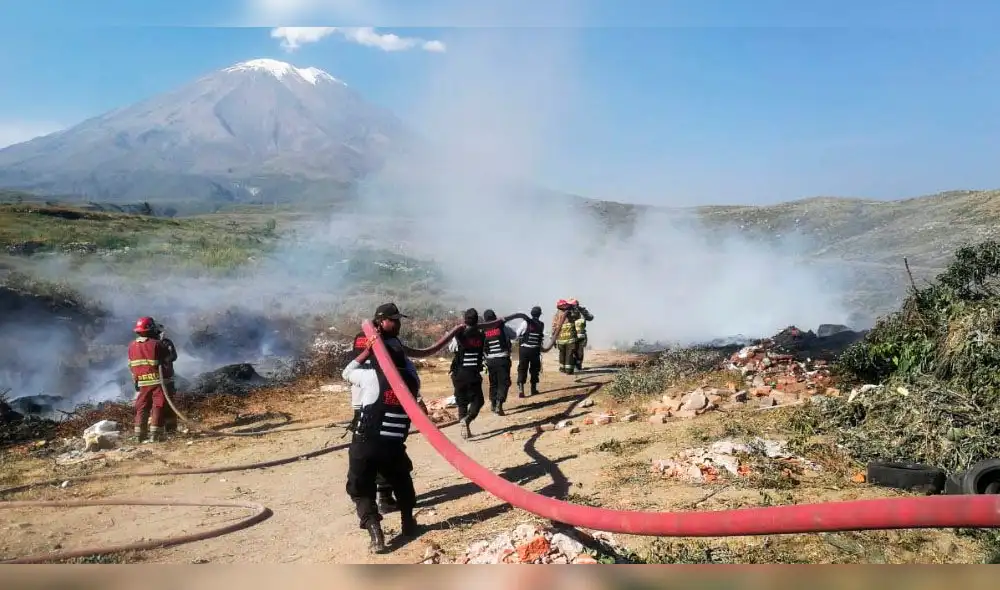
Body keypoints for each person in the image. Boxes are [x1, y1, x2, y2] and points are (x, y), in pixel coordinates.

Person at [342, 303, 425, 554]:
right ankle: (408, 521)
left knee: (360, 485)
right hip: (391, 440)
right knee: (401, 477)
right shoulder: (411, 379)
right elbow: (409, 369)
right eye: (393, 320)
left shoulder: (370, 377)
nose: (398, 324)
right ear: (380, 320)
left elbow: (347, 372)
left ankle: (375, 529)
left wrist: (366, 354)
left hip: (368, 437)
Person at [127, 316, 178, 443]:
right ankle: (157, 434)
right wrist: (166, 343)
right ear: (151, 329)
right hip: (159, 382)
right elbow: (171, 357)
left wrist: (136, 381)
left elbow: (131, 365)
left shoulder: (132, 346)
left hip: (142, 382)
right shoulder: (157, 344)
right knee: (159, 406)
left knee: (142, 406)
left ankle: (139, 434)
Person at [447, 308, 486, 439]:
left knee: (462, 402)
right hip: (473, 374)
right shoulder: (481, 335)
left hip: (459, 375)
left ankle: (465, 429)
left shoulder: (459, 334)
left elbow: (451, 348)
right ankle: (467, 421)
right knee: (478, 400)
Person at [481, 309, 517, 416]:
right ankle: (499, 404)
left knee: (494, 383)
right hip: (502, 359)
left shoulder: (483, 330)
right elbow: (514, 335)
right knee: (504, 382)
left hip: (490, 361)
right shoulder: (502, 327)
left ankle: (493, 403)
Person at [515, 305, 545, 398]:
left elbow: (517, 334)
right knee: (535, 369)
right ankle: (533, 389)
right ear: (540, 315)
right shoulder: (541, 324)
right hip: (535, 350)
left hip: (524, 350)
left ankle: (521, 389)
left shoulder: (525, 322)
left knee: (522, 368)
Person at [553, 299, 579, 374]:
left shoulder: (557, 315)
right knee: (569, 354)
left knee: (562, 353)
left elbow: (554, 327)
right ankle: (569, 370)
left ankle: (562, 368)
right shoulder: (571, 313)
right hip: (570, 339)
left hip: (560, 339)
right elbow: (577, 317)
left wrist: (553, 339)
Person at [569, 299, 594, 371]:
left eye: (576, 305)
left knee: (579, 350)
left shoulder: (581, 311)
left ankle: (578, 365)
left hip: (580, 334)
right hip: (571, 334)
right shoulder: (567, 311)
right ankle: (573, 365)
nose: (575, 307)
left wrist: (584, 311)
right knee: (572, 350)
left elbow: (590, 317)